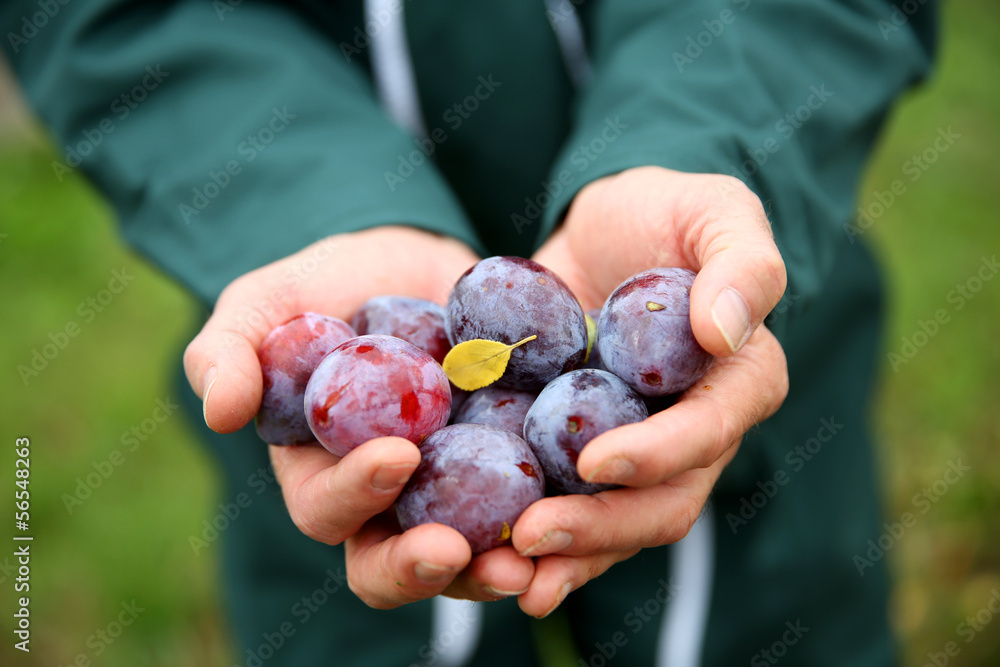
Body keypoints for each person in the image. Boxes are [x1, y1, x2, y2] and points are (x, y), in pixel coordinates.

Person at [3, 0, 936, 664]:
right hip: (342, 491)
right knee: (362, 611)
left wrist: (702, 141)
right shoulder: (391, 383)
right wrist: (298, 213)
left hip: (753, 409)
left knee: (771, 618)